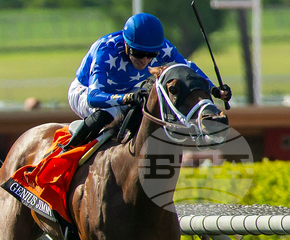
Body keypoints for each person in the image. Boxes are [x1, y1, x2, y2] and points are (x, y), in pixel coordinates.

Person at [64, 12, 232, 150]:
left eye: (151, 55)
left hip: (127, 93)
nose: (144, 60)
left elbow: (188, 68)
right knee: (108, 114)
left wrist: (215, 90)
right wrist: (127, 98)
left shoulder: (162, 48)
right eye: (138, 53)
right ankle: (67, 151)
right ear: (127, 45)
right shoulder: (106, 51)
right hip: (84, 91)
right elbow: (93, 98)